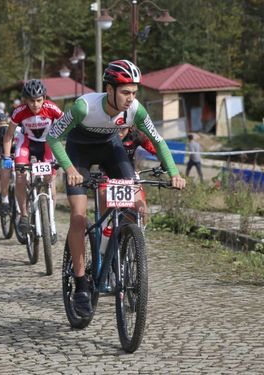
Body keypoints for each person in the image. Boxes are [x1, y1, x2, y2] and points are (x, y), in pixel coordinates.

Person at [46, 59, 186, 318]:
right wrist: (70, 170)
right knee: (78, 218)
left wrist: (174, 173)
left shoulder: (136, 111)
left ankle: (121, 249)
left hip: (111, 149)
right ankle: (80, 286)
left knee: (133, 202)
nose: (131, 98)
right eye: (125, 92)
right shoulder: (83, 106)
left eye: (134, 92)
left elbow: (158, 140)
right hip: (79, 154)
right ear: (109, 90)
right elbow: (53, 136)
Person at [3, 79, 63, 234]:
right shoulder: (19, 111)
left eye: (39, 100)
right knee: (21, 176)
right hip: (27, 143)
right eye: (31, 101)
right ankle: (23, 215)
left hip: (48, 143)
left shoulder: (52, 108)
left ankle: (50, 218)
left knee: (51, 182)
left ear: (44, 98)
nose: (35, 104)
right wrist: (6, 157)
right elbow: (9, 135)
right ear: (25, 100)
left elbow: (66, 127)